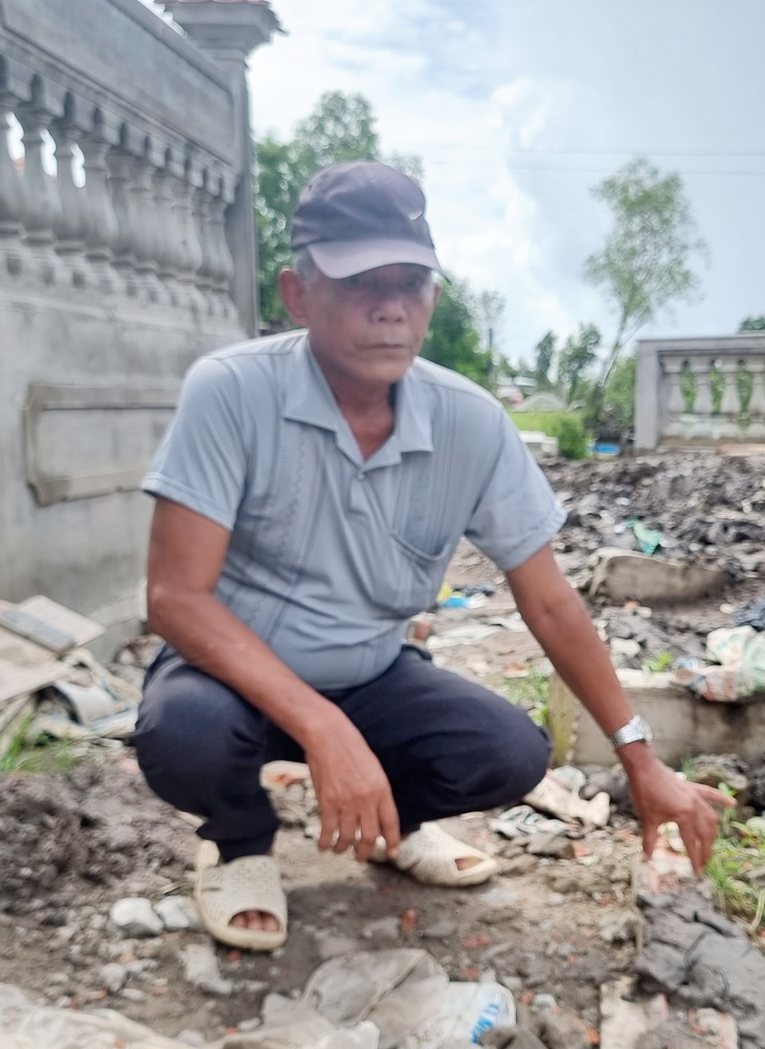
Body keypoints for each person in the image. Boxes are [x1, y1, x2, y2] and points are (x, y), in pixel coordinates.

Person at [132, 159, 730, 951]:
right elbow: (176, 598)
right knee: (183, 735)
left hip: (371, 675)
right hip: (230, 677)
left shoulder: (470, 423)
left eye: (409, 284)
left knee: (508, 752)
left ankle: (392, 824)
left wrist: (641, 759)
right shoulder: (231, 392)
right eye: (357, 284)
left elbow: (549, 600)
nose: (388, 309)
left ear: (434, 300)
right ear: (296, 293)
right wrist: (323, 729)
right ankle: (240, 843)